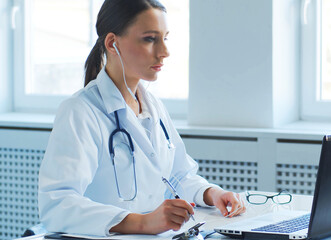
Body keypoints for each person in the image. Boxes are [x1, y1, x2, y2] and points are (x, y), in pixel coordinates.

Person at [38, 0, 245, 236]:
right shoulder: (80, 111)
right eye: (150, 38)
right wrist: (142, 222)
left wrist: (212, 194)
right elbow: (57, 205)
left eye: (165, 38)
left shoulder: (152, 106)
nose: (164, 52)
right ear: (112, 43)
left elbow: (177, 175)